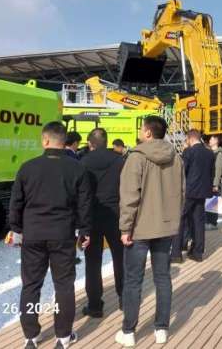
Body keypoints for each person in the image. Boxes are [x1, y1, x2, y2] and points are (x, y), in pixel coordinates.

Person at [9, 122, 92, 349]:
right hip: (62, 234)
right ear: (63, 141)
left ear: (45, 141)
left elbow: (16, 202)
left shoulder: (28, 167)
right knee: (64, 285)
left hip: (33, 234)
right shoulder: (77, 169)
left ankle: (31, 336)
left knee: (31, 285)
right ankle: (63, 336)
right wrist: (85, 230)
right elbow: (85, 204)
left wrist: (16, 229)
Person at [117, 116, 184, 347]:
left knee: (134, 280)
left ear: (147, 133)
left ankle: (128, 331)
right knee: (163, 278)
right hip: (165, 227)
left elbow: (129, 197)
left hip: (139, 228)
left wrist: (125, 227)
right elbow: (181, 194)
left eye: (141, 128)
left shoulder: (136, 157)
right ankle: (162, 329)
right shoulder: (176, 158)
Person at [80, 128, 126, 318]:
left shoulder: (82, 163)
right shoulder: (120, 161)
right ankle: (124, 299)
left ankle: (95, 305)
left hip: (91, 216)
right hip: (116, 214)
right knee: (121, 257)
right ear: (106, 142)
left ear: (90, 143)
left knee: (92, 261)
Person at [171, 129, 214, 263]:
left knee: (180, 220)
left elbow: (182, 172)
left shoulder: (188, 151)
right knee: (198, 221)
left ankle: (176, 254)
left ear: (189, 139)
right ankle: (197, 252)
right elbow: (211, 172)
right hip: (202, 192)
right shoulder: (209, 153)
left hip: (189, 191)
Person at [206, 136, 222, 229]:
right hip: (208, 181)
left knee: (213, 202)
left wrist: (216, 184)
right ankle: (208, 221)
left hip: (214, 182)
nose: (209, 141)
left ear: (216, 141)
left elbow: (218, 170)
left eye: (211, 139)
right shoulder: (211, 152)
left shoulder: (219, 154)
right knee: (209, 201)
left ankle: (213, 223)